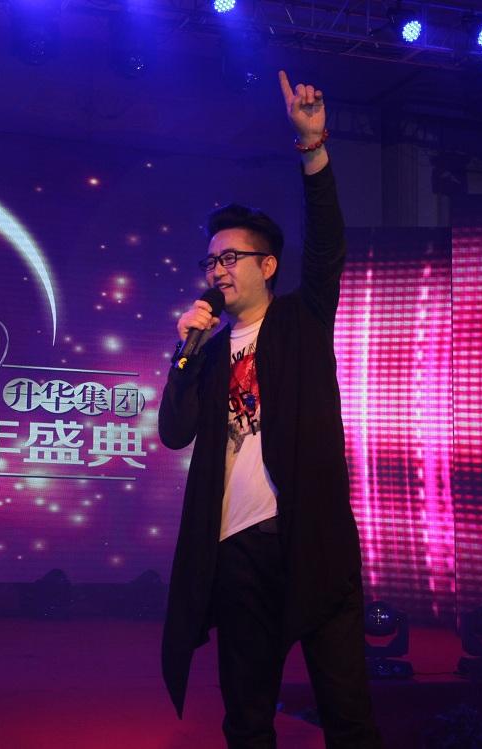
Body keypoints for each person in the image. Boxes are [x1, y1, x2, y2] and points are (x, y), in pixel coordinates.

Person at [158, 70, 381, 749]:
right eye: (211, 261)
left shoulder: (300, 322)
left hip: (310, 540)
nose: (218, 270)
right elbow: (175, 432)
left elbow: (328, 245)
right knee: (248, 715)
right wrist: (185, 355)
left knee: (346, 711)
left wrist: (312, 148)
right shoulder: (210, 350)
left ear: (269, 266)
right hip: (237, 549)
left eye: (231, 257)